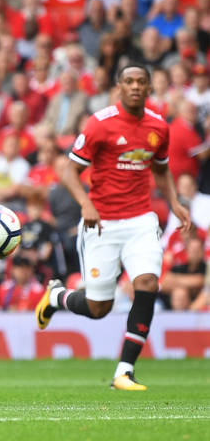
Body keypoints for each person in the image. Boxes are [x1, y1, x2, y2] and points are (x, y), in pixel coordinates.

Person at [36, 63, 193, 391]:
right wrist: (86, 203)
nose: (135, 86)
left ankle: (124, 371)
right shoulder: (100, 123)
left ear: (148, 88)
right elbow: (68, 171)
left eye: (141, 82)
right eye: (129, 81)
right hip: (101, 223)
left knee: (147, 282)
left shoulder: (158, 126)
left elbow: (160, 169)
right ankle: (56, 296)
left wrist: (174, 202)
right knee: (98, 308)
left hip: (140, 220)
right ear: (119, 87)